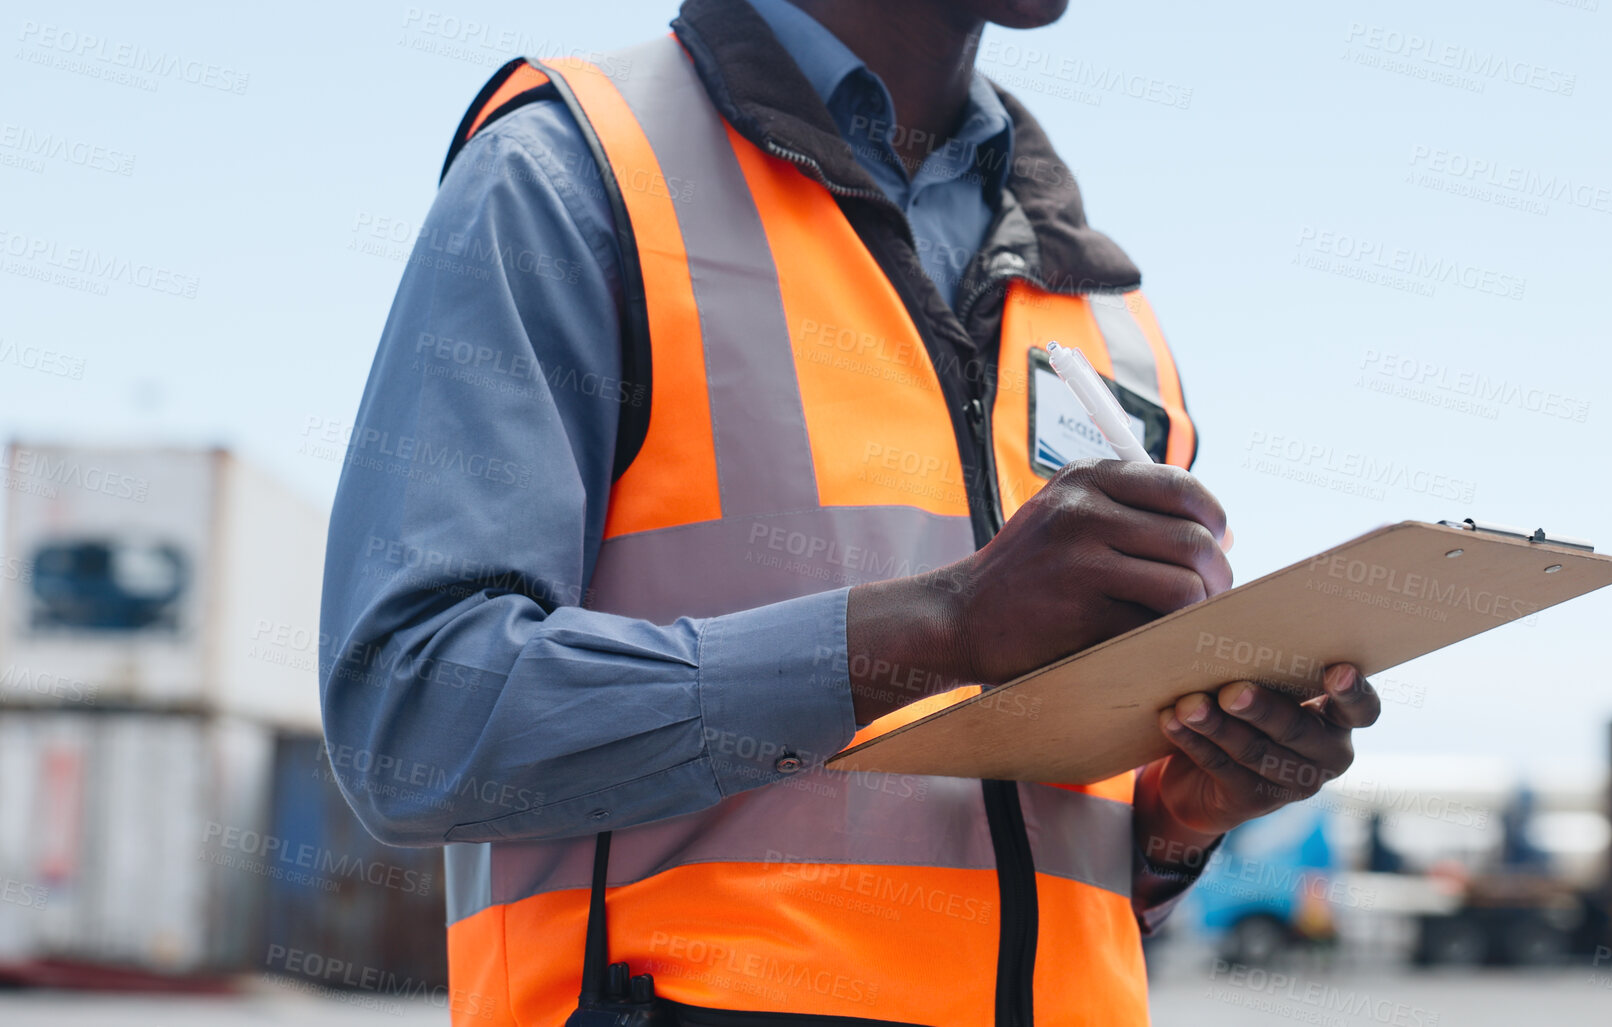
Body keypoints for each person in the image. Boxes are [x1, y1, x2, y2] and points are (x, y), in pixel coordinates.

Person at [319, 1, 1381, 1023]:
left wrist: (1176, 819)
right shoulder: (573, 176)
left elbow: (1047, 865)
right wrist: (933, 630)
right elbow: (415, 717)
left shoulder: (1108, 316)